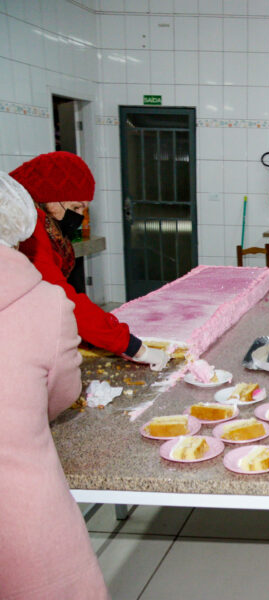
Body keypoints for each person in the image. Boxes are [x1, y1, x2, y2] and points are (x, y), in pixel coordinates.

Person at [0, 172, 109, 599]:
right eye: (76, 207)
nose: (80, 217)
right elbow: (60, 395)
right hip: (17, 503)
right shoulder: (42, 302)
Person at [11, 152, 166, 369]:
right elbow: (61, 298)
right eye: (75, 207)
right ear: (49, 196)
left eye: (83, 208)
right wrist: (134, 347)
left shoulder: (45, 224)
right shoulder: (29, 231)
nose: (79, 216)